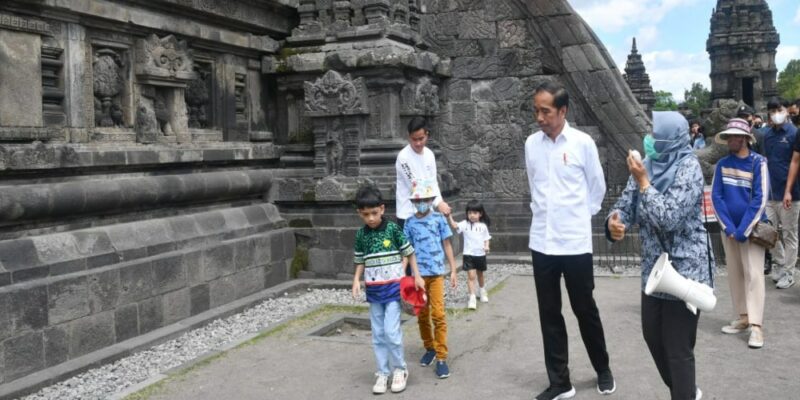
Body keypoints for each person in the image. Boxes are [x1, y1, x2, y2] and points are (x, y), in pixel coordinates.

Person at [606, 111, 712, 400]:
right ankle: (687, 391)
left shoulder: (689, 167)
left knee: (678, 350)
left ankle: (683, 393)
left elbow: (670, 217)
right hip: (654, 273)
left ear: (673, 138)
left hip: (685, 271)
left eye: (656, 134)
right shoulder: (648, 165)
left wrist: (643, 182)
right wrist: (614, 222)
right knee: (653, 337)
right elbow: (625, 205)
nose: (650, 139)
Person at [525, 81, 614, 400]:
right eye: (536, 110)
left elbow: (597, 189)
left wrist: (577, 218)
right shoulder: (531, 145)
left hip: (575, 244)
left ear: (562, 111)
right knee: (549, 313)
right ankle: (560, 381)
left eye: (545, 111)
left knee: (584, 309)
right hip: (542, 243)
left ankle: (602, 368)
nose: (539, 117)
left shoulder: (582, 143)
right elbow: (533, 185)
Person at [351, 185, 424, 394]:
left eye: (374, 213)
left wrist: (416, 275)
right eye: (366, 215)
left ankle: (400, 369)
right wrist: (356, 279)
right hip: (373, 292)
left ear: (382, 209)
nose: (371, 218)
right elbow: (359, 259)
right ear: (360, 214)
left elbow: (409, 252)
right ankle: (382, 371)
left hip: (393, 289)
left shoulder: (392, 229)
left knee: (392, 331)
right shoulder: (361, 235)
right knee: (378, 333)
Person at [711, 118, 768, 349]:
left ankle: (756, 326)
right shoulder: (722, 164)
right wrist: (728, 228)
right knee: (735, 273)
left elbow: (760, 198)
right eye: (728, 136)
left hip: (752, 230)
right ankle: (743, 316)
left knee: (754, 274)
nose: (731, 140)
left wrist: (743, 228)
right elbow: (717, 197)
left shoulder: (758, 163)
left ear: (745, 138)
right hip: (730, 230)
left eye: (735, 136)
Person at [402, 179, 457, 379]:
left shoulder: (439, 219)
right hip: (418, 276)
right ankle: (430, 348)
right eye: (418, 200)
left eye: (425, 199)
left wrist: (452, 269)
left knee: (439, 315)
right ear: (413, 202)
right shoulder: (409, 222)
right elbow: (407, 251)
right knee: (422, 315)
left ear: (431, 200)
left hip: (436, 274)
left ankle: (442, 357)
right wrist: (402, 272)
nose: (421, 203)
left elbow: (447, 244)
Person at [761, 97, 799, 289]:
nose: (775, 113)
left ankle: (790, 272)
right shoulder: (767, 135)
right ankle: (781, 263)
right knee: (769, 232)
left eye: (779, 109)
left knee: (790, 233)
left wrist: (788, 191)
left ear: (785, 110)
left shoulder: (794, 133)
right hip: (770, 192)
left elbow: (795, 162)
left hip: (790, 193)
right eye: (772, 110)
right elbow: (765, 161)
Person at [395, 117, 451, 229]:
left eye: (421, 138)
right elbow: (415, 186)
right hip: (407, 214)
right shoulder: (403, 157)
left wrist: (440, 201)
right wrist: (437, 203)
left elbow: (433, 182)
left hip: (427, 213)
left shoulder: (430, 154)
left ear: (427, 134)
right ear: (408, 136)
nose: (418, 143)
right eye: (414, 139)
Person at [445, 200, 492, 310]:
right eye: (470, 213)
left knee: (480, 274)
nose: (472, 215)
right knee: (471, 276)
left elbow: (487, 238)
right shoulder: (464, 224)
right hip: (468, 254)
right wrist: (449, 216)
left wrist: (487, 246)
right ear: (467, 214)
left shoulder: (483, 226)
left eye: (475, 213)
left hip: (480, 254)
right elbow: (455, 226)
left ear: (480, 214)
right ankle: (472, 297)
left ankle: (482, 290)